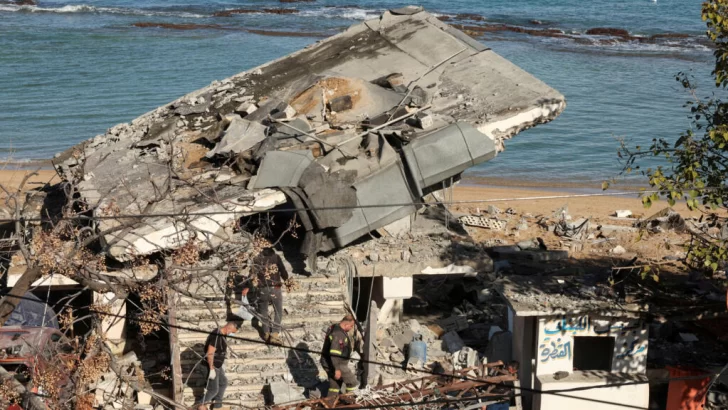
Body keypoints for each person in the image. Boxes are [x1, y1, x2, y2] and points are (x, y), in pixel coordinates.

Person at [242, 247, 289, 345]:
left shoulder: (257, 259)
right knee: (278, 311)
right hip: (275, 288)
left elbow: (252, 275)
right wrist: (287, 280)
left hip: (262, 289)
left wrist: (248, 286)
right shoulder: (276, 257)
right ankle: (275, 333)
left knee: (263, 311)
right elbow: (283, 271)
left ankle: (266, 332)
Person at [196, 321, 240, 410]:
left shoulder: (222, 334)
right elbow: (210, 353)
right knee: (213, 390)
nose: (231, 334)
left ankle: (217, 405)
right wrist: (211, 369)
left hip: (217, 365)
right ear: (228, 328)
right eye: (232, 332)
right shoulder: (217, 337)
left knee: (223, 383)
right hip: (210, 366)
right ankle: (198, 405)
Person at [321, 314, 359, 401]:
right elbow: (334, 353)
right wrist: (337, 369)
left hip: (329, 362)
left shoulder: (335, 327)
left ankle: (329, 404)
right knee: (352, 383)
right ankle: (349, 401)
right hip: (337, 363)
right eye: (351, 326)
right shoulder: (338, 334)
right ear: (346, 324)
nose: (351, 328)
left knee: (335, 385)